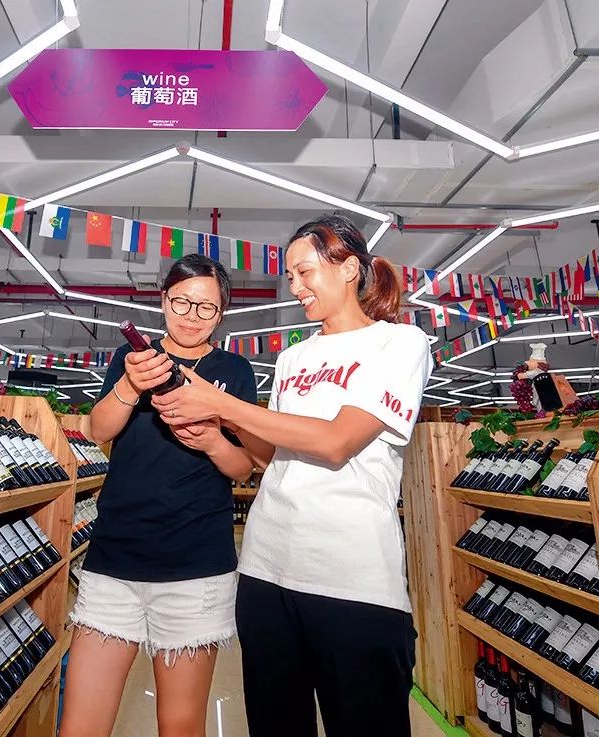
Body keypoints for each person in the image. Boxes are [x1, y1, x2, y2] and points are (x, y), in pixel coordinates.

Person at [152, 214, 432, 737]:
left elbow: (336, 442)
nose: (295, 286)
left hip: (352, 579)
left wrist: (223, 403)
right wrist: (218, 425)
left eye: (305, 272)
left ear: (349, 268)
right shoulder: (293, 358)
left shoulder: (399, 343)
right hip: (265, 572)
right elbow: (269, 456)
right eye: (290, 276)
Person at [60, 254, 257, 737]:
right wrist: (130, 385)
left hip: (196, 567)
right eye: (181, 302)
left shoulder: (234, 370)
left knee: (180, 724)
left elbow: (244, 466)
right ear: (163, 300)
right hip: (114, 560)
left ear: (222, 313)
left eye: (206, 307)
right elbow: (98, 429)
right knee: (80, 724)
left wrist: (211, 441)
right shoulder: (132, 360)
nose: (191, 316)